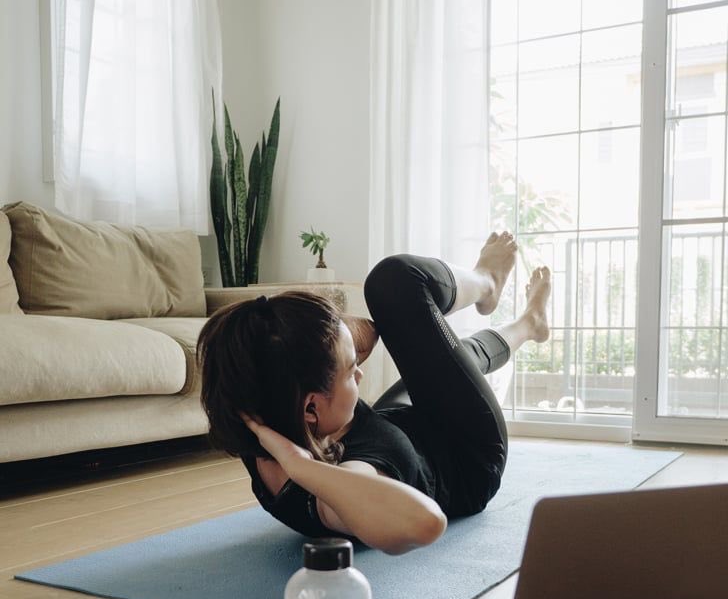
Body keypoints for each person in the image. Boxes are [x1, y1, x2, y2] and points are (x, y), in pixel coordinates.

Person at [197, 233, 551, 555]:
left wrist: (312, 330)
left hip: (404, 427)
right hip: (465, 453)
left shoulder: (262, 411)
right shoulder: (353, 477)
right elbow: (424, 522)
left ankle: (529, 324)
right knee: (394, 281)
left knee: (446, 357)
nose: (361, 372)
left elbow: (366, 334)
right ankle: (489, 285)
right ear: (309, 409)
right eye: (352, 372)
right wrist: (299, 465)